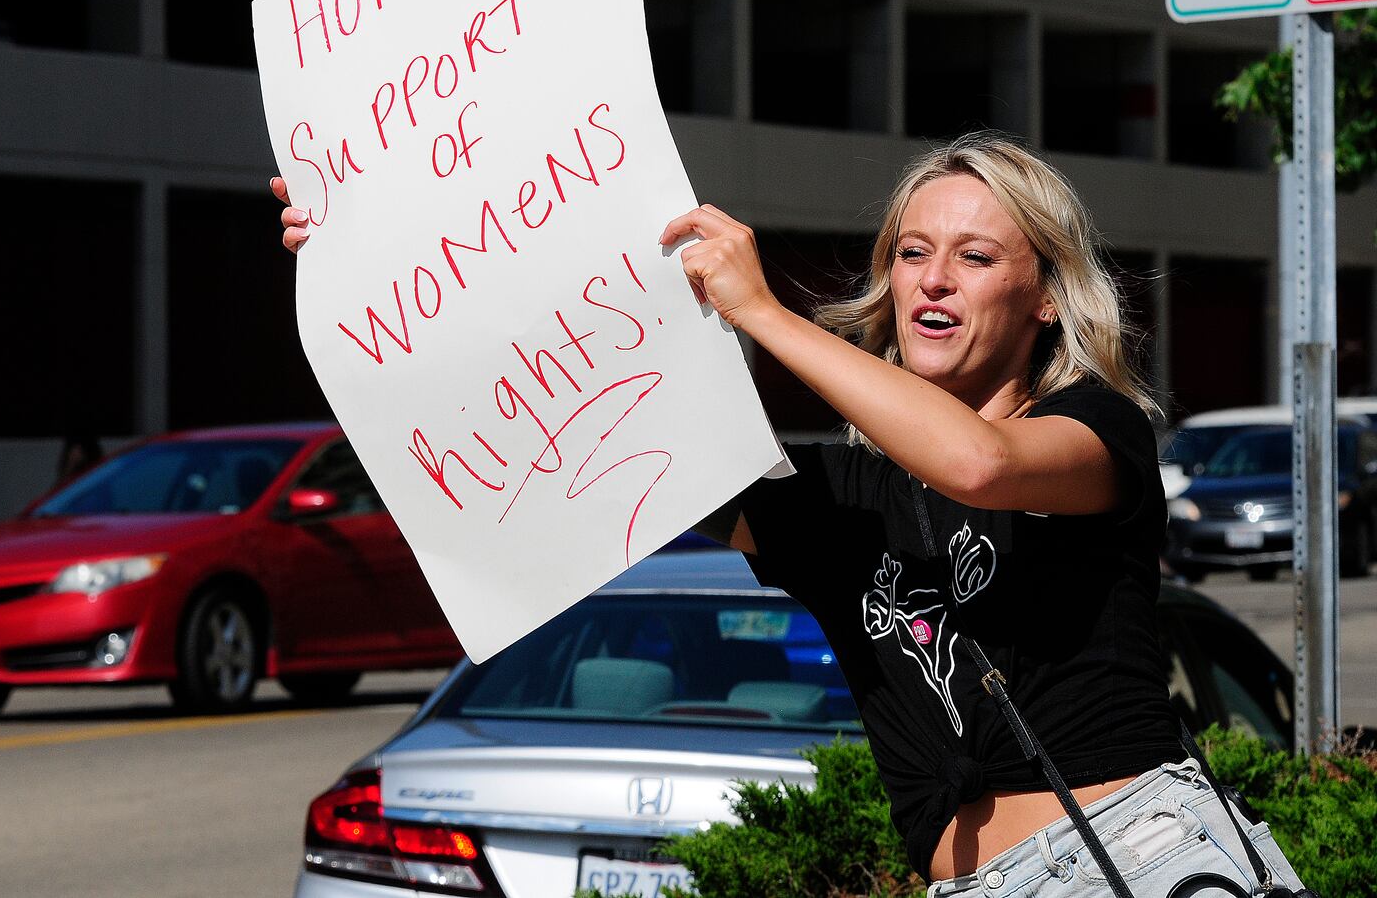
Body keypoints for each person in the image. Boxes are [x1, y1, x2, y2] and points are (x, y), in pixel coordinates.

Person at [271, 135, 1306, 895]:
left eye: (976, 256)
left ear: (1045, 297)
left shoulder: (1097, 429)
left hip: (1136, 852)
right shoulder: (843, 507)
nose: (932, 279)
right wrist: (374, 261)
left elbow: (981, 462)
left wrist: (762, 313)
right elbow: (565, 439)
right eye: (910, 251)